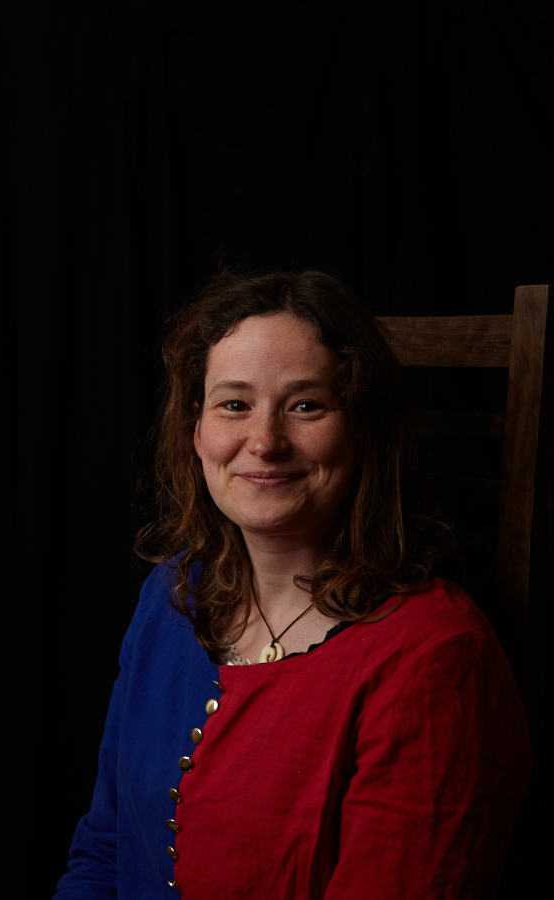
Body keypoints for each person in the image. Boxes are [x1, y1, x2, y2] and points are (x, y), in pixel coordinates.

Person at [54, 270, 531, 899]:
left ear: (361, 427)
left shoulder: (436, 661)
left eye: (306, 405)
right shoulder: (172, 590)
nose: (265, 442)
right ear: (196, 428)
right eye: (234, 404)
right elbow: (104, 850)